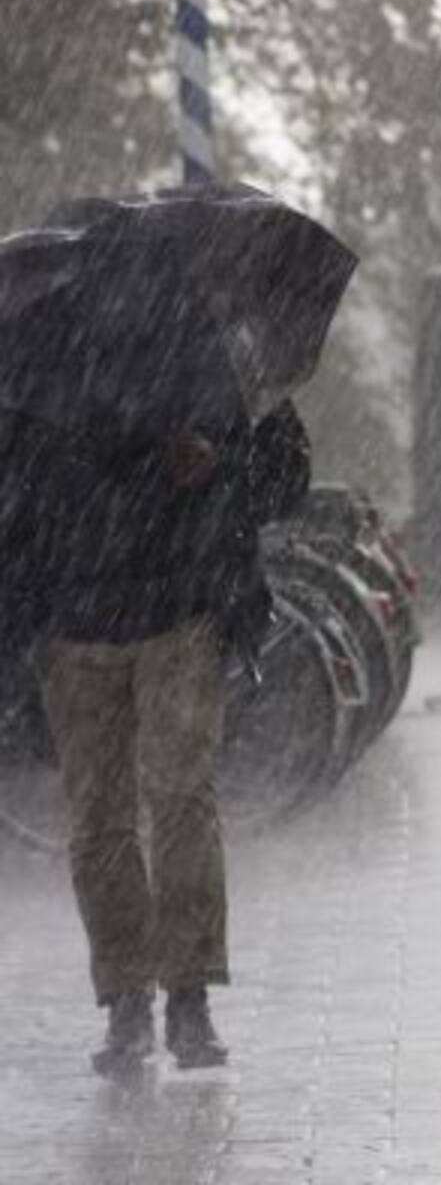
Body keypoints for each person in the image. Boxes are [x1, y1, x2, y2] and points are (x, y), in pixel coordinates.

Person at [5, 375, 310, 1076]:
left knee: (180, 798)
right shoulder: (34, 365)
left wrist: (218, 464)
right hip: (73, 628)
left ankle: (188, 995)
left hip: (181, 611)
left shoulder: (209, 359)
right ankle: (126, 998)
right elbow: (14, 499)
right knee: (99, 817)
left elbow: (286, 475)